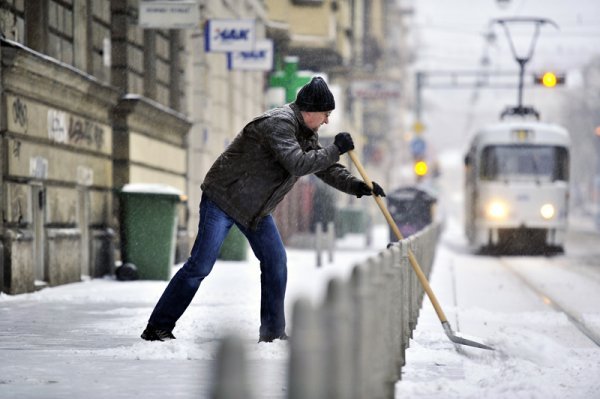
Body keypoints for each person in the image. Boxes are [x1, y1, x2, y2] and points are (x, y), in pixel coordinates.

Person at [141, 76, 386, 343]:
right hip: (224, 198)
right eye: (326, 114)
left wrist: (357, 186)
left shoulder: (305, 131)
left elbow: (323, 167)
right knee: (200, 264)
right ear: (309, 111)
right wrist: (335, 148)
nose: (327, 120)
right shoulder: (279, 124)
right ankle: (158, 327)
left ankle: (272, 332)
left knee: (275, 262)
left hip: (255, 208)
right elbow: (298, 164)